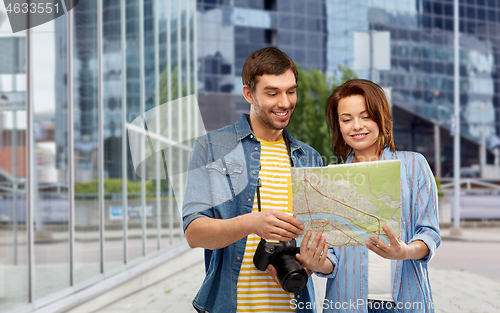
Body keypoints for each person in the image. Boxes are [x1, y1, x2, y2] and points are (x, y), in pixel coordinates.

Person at [182, 47, 323, 313]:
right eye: (272, 93)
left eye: (291, 91)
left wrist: (311, 262)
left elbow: (319, 239)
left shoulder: (311, 158)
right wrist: (252, 223)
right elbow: (194, 232)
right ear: (249, 93)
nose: (284, 102)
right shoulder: (212, 147)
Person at [299, 79, 441, 313]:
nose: (356, 126)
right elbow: (331, 259)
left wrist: (404, 251)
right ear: (339, 126)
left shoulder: (414, 166)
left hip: (405, 303)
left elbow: (430, 234)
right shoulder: (332, 179)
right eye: (346, 119)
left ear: (381, 117)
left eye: (365, 116)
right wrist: (316, 263)